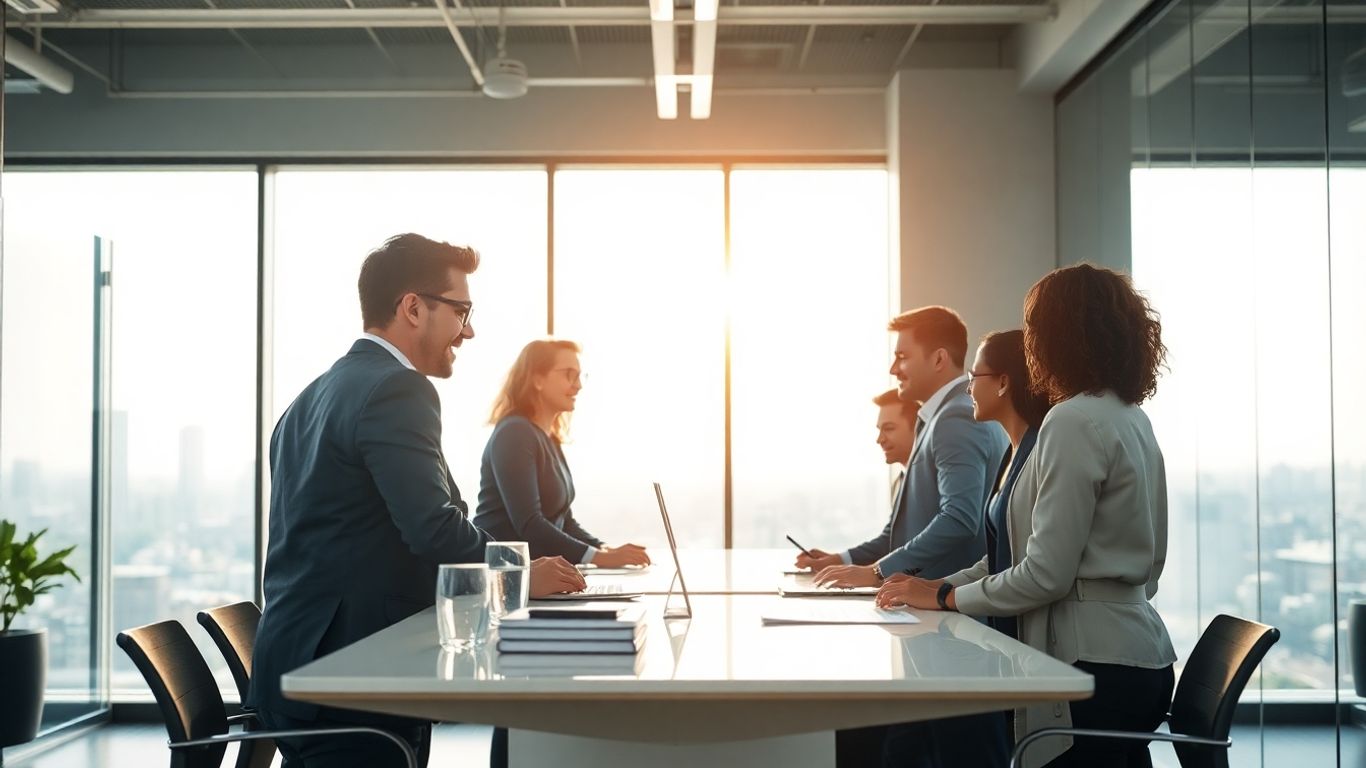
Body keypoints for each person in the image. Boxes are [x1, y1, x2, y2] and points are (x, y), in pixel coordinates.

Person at [249, 233, 586, 768]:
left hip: (294, 667)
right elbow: (434, 527)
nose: (468, 331)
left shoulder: (310, 397)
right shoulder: (396, 389)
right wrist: (518, 575)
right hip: (350, 676)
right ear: (412, 307)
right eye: (461, 311)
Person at [877, 264, 1177, 768]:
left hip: (1092, 669)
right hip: (1141, 658)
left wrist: (945, 597)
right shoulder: (1131, 417)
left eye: (1035, 328)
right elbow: (1149, 569)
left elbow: (1044, 574)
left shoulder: (1071, 420)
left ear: (1058, 336)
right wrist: (940, 587)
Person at [812, 306, 1009, 587]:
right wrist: (843, 560)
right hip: (928, 597)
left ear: (939, 358)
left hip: (946, 599)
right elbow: (903, 531)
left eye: (902, 357)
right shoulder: (941, 416)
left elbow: (959, 519)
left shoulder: (955, 417)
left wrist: (877, 572)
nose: (893, 369)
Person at [474, 339, 650, 567]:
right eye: (569, 375)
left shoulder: (550, 439)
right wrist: (598, 558)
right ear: (537, 379)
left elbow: (564, 521)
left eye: (580, 376)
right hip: (501, 574)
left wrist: (602, 548)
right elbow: (530, 524)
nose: (578, 385)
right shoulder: (515, 433)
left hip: (531, 572)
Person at [794, 389, 919, 572]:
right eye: (879, 430)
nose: (879, 439)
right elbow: (890, 539)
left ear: (917, 428)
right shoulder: (900, 480)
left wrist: (872, 573)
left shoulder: (932, 479)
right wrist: (837, 559)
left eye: (889, 428)